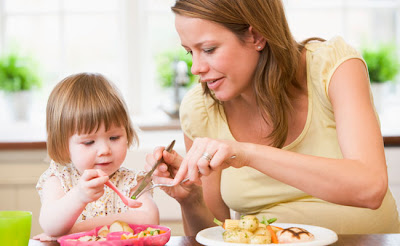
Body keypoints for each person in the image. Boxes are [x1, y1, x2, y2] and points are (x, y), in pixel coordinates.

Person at [145, 0, 400, 236]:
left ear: (256, 36)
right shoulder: (201, 109)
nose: (196, 68)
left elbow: (370, 188)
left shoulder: (333, 67)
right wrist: (191, 199)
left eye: (209, 49)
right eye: (190, 52)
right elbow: (218, 233)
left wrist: (245, 153)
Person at [34, 73, 159, 241]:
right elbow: (50, 225)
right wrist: (79, 196)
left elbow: (150, 219)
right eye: (89, 142)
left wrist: (76, 230)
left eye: (114, 138)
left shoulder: (131, 182)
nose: (104, 150)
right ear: (64, 145)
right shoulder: (59, 180)